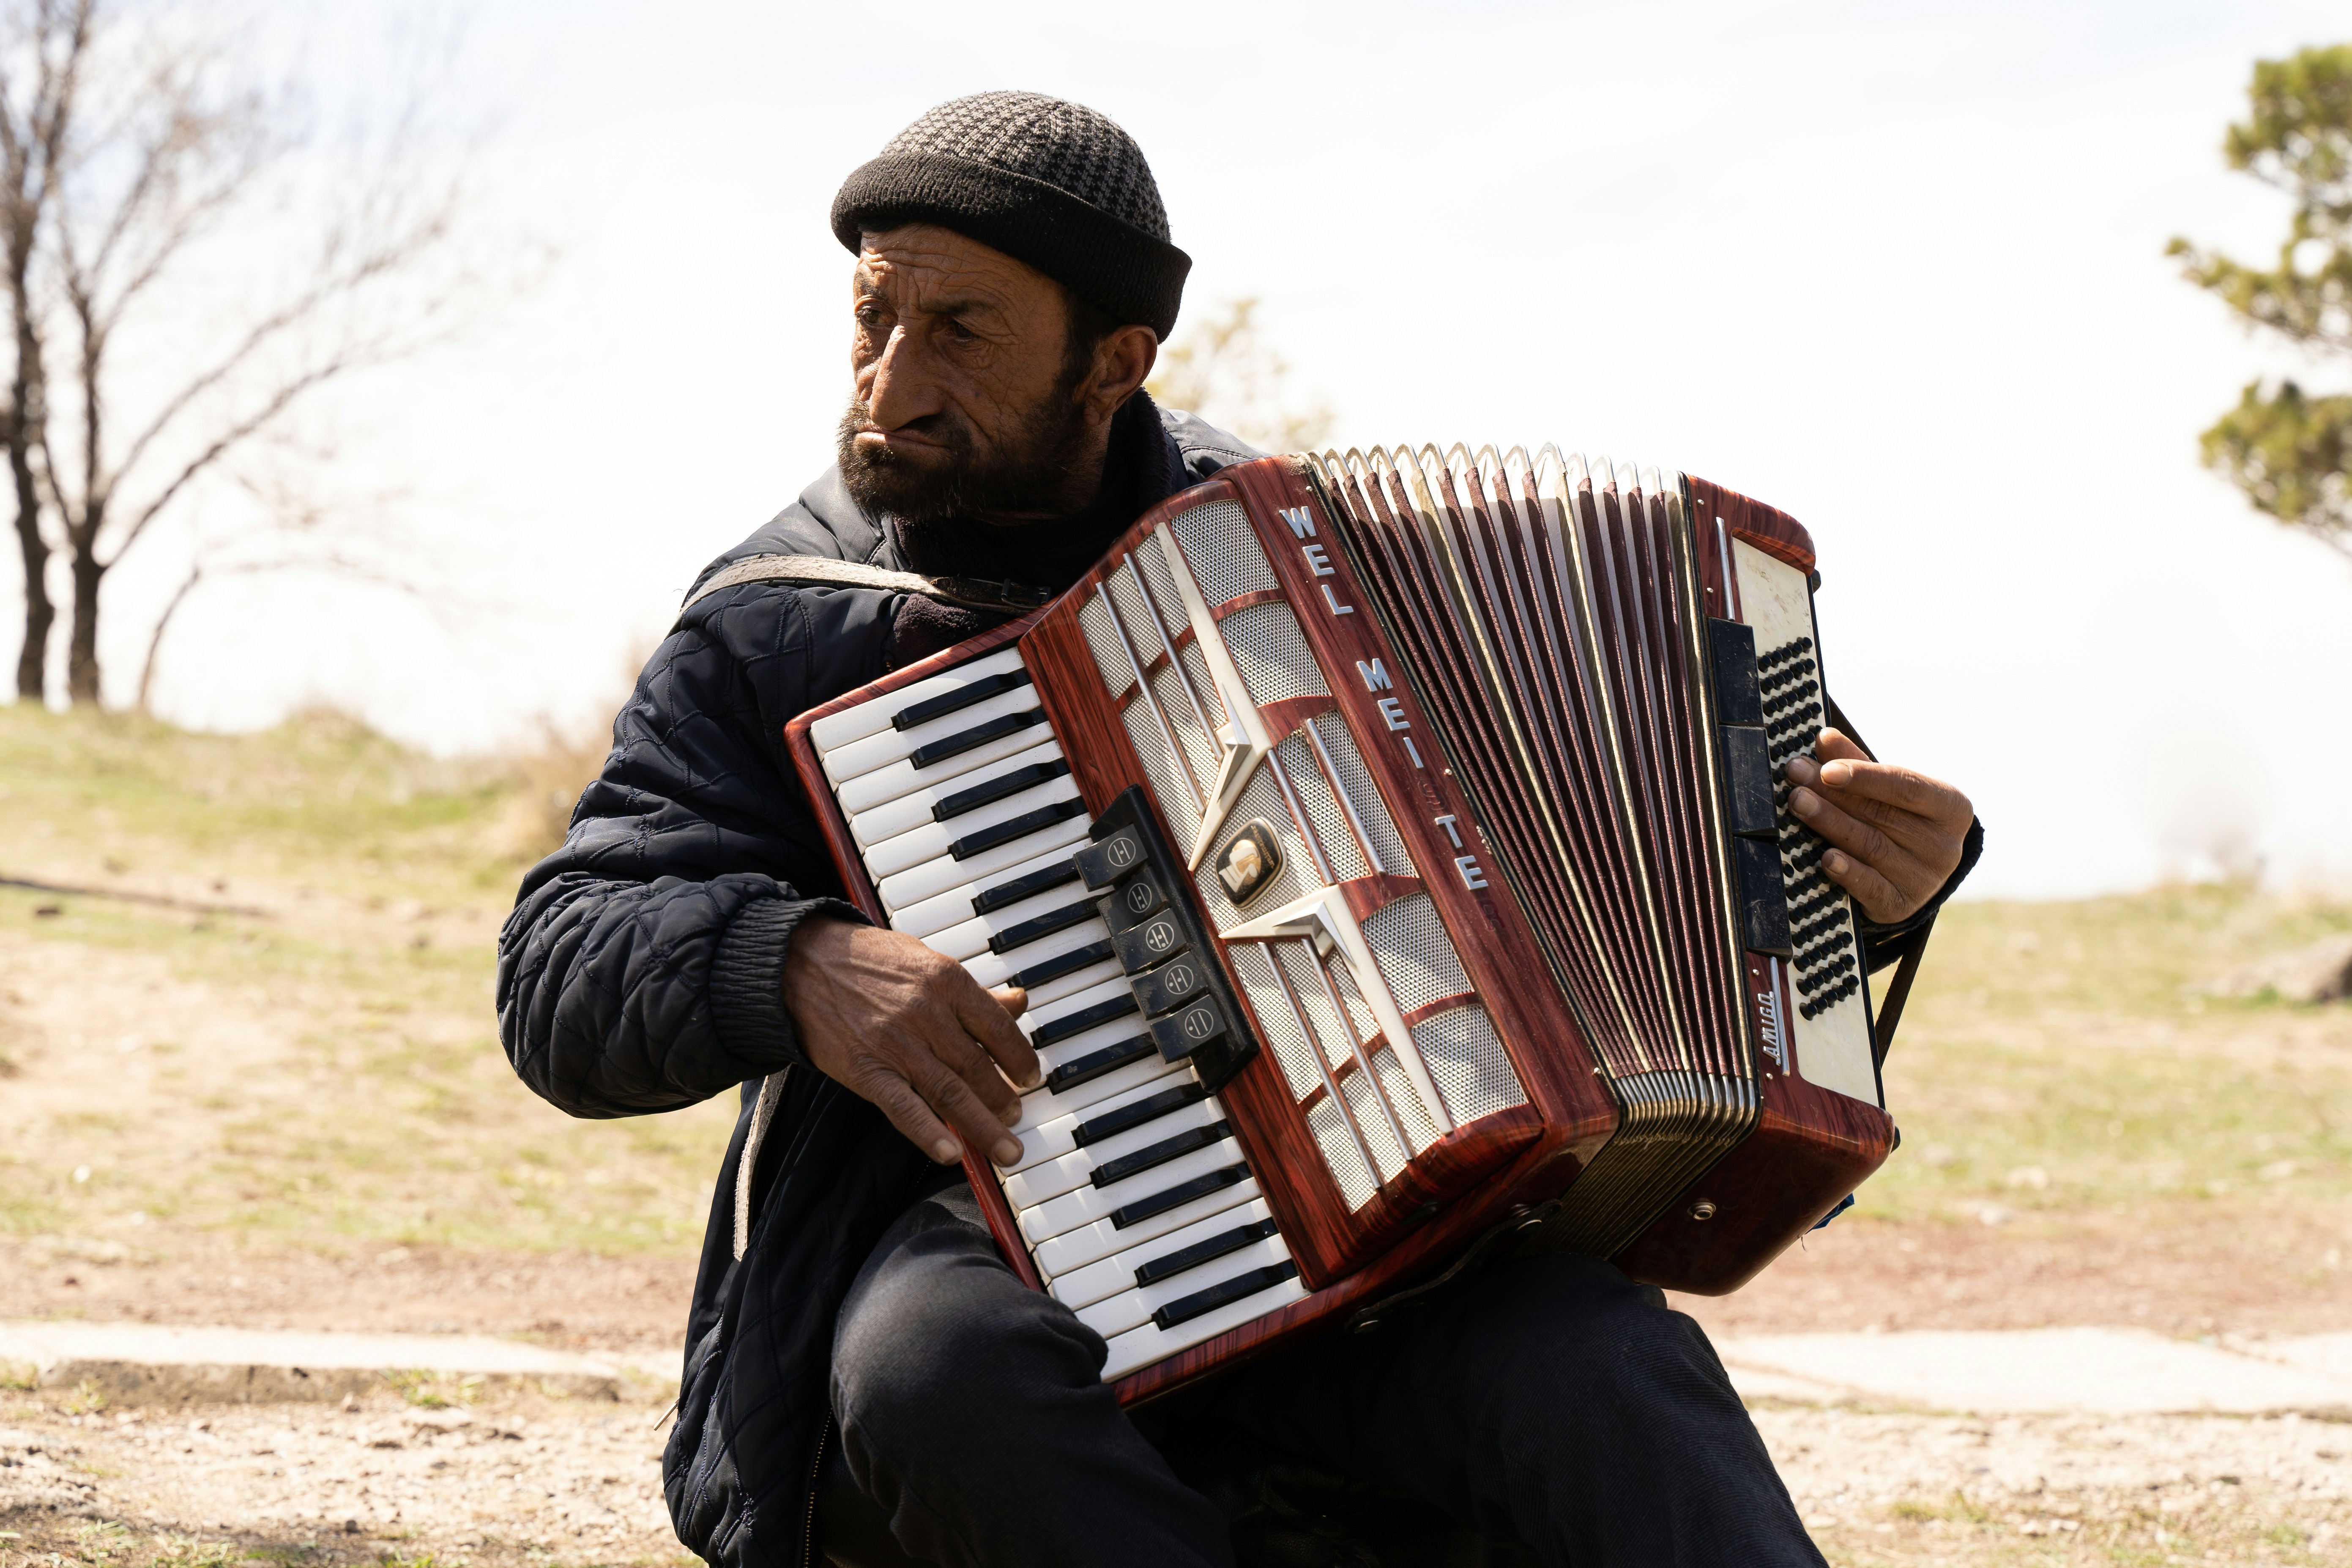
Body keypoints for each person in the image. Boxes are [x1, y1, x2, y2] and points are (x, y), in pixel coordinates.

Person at [497, 91, 1983, 1568]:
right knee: (937, 1370)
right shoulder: (783, 624)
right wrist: (793, 960)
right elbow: (562, 961)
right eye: (874, 318)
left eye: (962, 333)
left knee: (1593, 1360)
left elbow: (1627, 847)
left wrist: (1870, 872)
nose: (888, 385)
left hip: (1361, 1223)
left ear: (1115, 363)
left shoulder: (1293, 556)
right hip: (983, 1221)